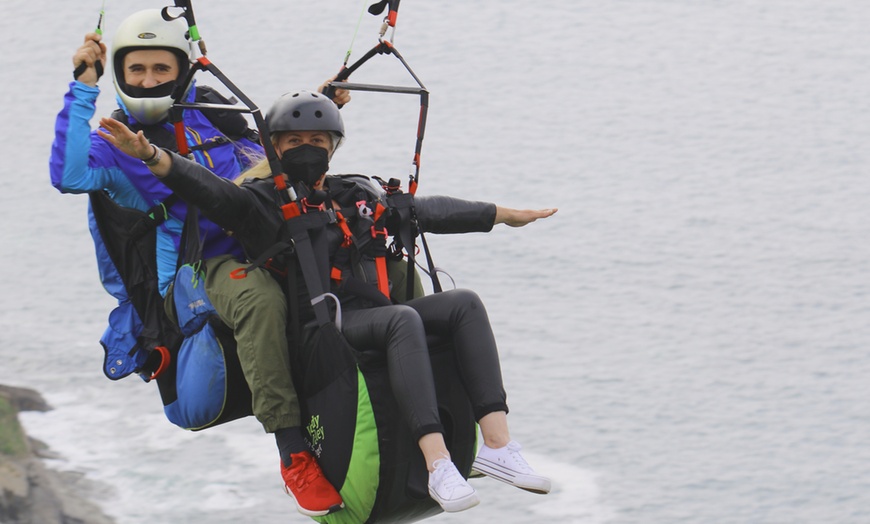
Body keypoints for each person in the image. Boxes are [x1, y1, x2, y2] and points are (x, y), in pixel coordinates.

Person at [97, 90, 557, 513]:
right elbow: (211, 191)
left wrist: (501, 216)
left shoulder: (351, 195)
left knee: (464, 304)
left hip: (371, 316)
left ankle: (497, 446)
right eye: (294, 139)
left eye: (317, 138)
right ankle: (438, 465)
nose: (306, 148)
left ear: (333, 146)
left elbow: (422, 211)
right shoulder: (260, 204)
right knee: (400, 321)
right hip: (320, 331)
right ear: (274, 148)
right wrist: (155, 157)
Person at [49, 10, 349, 516]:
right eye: (136, 70)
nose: (148, 81)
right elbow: (69, 173)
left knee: (366, 255)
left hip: (261, 239)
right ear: (119, 71)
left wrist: (316, 111)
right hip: (195, 268)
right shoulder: (116, 142)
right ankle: (292, 450)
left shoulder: (210, 113)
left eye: (160, 69)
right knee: (258, 299)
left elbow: (268, 162)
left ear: (182, 70)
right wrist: (84, 84)